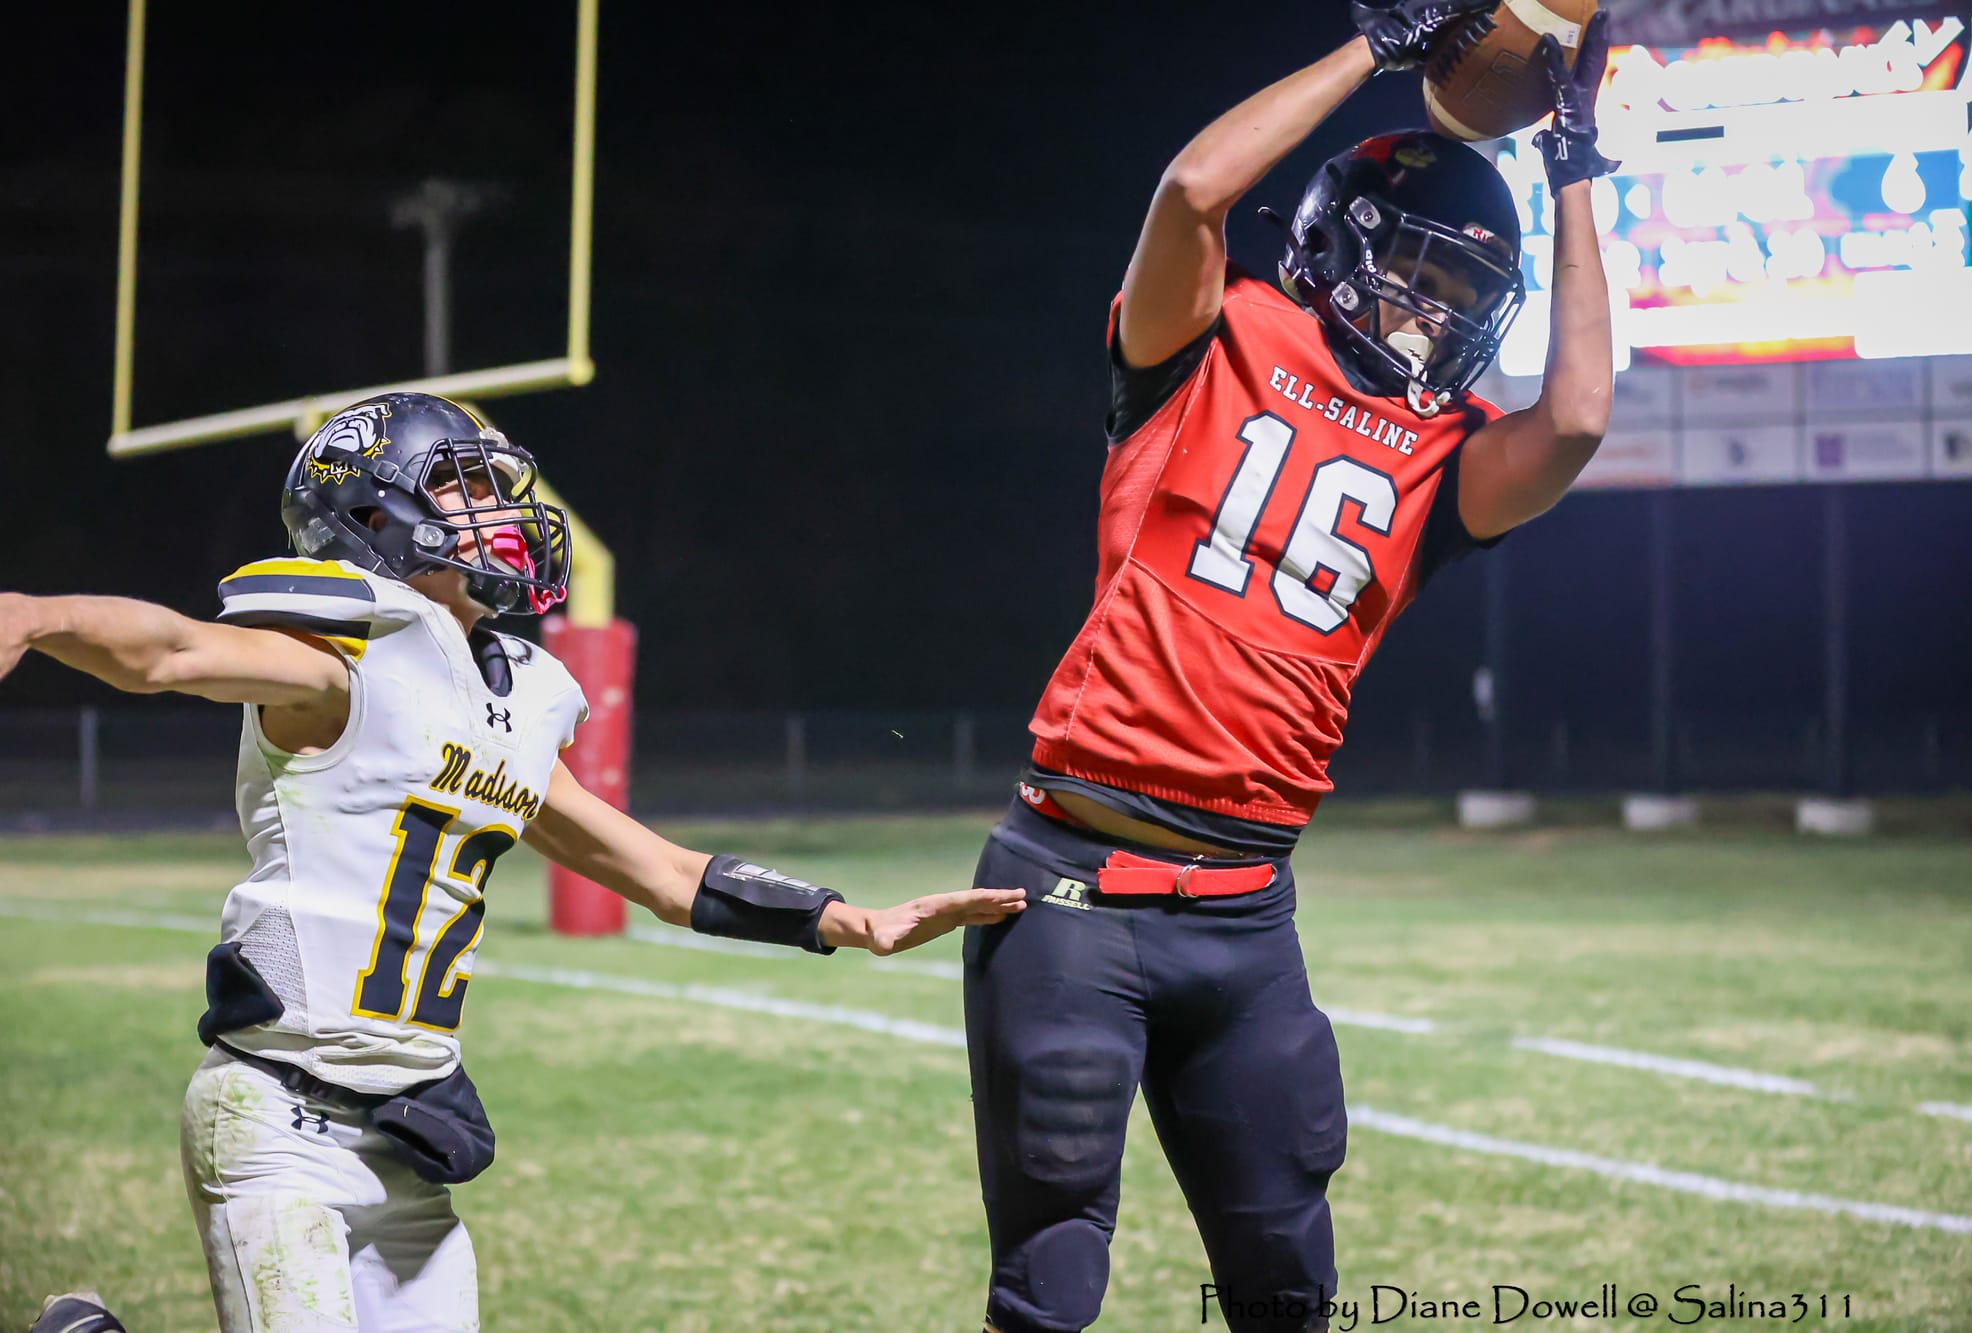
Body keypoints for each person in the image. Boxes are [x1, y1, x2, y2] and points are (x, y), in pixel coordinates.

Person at [0, 392, 1025, 1332]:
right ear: (372, 514)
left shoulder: (509, 698)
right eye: (467, 485)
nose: (501, 511)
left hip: (405, 1135)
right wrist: (39, 617)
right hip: (281, 1119)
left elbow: (663, 873)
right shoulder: (338, 662)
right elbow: (169, 651)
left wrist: (850, 920)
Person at [960, 3, 1619, 1330]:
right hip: (1072, 887)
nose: (1436, 314)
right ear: (1339, 241)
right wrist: (1378, 49)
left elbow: (1578, 414)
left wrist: (1571, 166)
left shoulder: (1445, 453)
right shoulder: (1214, 338)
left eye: (1465, 296)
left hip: (1247, 916)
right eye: (1422, 272)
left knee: (1287, 1285)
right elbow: (1193, 192)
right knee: (1051, 1284)